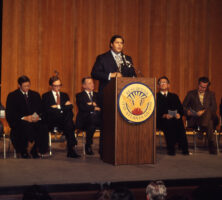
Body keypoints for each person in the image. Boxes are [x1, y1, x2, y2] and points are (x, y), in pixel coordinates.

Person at [6, 75, 48, 158]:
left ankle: (35, 149)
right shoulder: (12, 96)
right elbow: (10, 113)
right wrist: (25, 118)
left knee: (43, 126)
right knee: (24, 126)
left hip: (34, 119)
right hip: (20, 121)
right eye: (25, 86)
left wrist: (35, 116)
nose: (27, 88)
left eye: (28, 86)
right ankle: (23, 150)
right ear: (19, 86)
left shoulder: (35, 95)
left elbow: (40, 109)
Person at [42, 75, 80, 158]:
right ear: (51, 86)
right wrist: (63, 106)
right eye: (55, 86)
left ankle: (70, 150)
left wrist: (57, 106)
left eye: (59, 85)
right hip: (52, 121)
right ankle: (72, 145)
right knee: (69, 123)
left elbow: (70, 107)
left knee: (69, 121)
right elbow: (47, 110)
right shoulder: (46, 96)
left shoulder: (64, 95)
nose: (58, 88)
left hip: (63, 120)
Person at [183, 77, 218, 154]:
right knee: (210, 123)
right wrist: (189, 112)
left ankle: (201, 129)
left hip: (209, 117)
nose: (202, 88)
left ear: (207, 86)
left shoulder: (211, 94)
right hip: (196, 119)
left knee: (208, 111)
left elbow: (214, 107)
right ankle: (212, 146)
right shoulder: (191, 94)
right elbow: (183, 107)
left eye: (205, 87)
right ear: (198, 85)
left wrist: (203, 112)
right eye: (201, 86)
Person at [156, 76, 189, 156]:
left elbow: (181, 109)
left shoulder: (174, 96)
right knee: (169, 122)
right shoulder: (155, 97)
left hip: (175, 118)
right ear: (158, 86)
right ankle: (171, 149)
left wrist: (179, 114)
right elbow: (155, 111)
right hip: (161, 119)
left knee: (179, 122)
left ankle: (185, 149)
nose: (163, 84)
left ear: (168, 85)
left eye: (165, 82)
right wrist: (164, 115)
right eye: (161, 83)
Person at [76, 77, 102, 155]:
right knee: (91, 124)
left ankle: (103, 147)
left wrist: (89, 105)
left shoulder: (98, 95)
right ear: (84, 85)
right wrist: (93, 107)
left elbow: (101, 107)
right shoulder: (79, 95)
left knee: (106, 124)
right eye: (90, 83)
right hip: (84, 120)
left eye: (93, 83)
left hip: (97, 119)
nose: (93, 84)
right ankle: (88, 145)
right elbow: (82, 108)